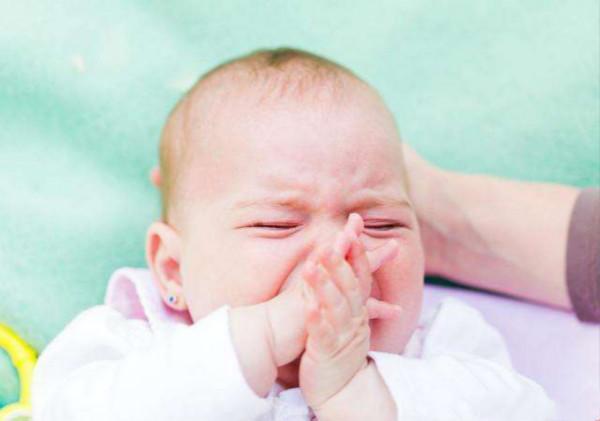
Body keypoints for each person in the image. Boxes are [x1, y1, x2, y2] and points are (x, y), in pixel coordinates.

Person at [31, 48, 556, 420]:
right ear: (172, 269)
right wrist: (256, 338)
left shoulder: (442, 345)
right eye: (276, 224)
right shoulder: (134, 342)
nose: (338, 253)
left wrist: (358, 392)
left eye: (382, 224)